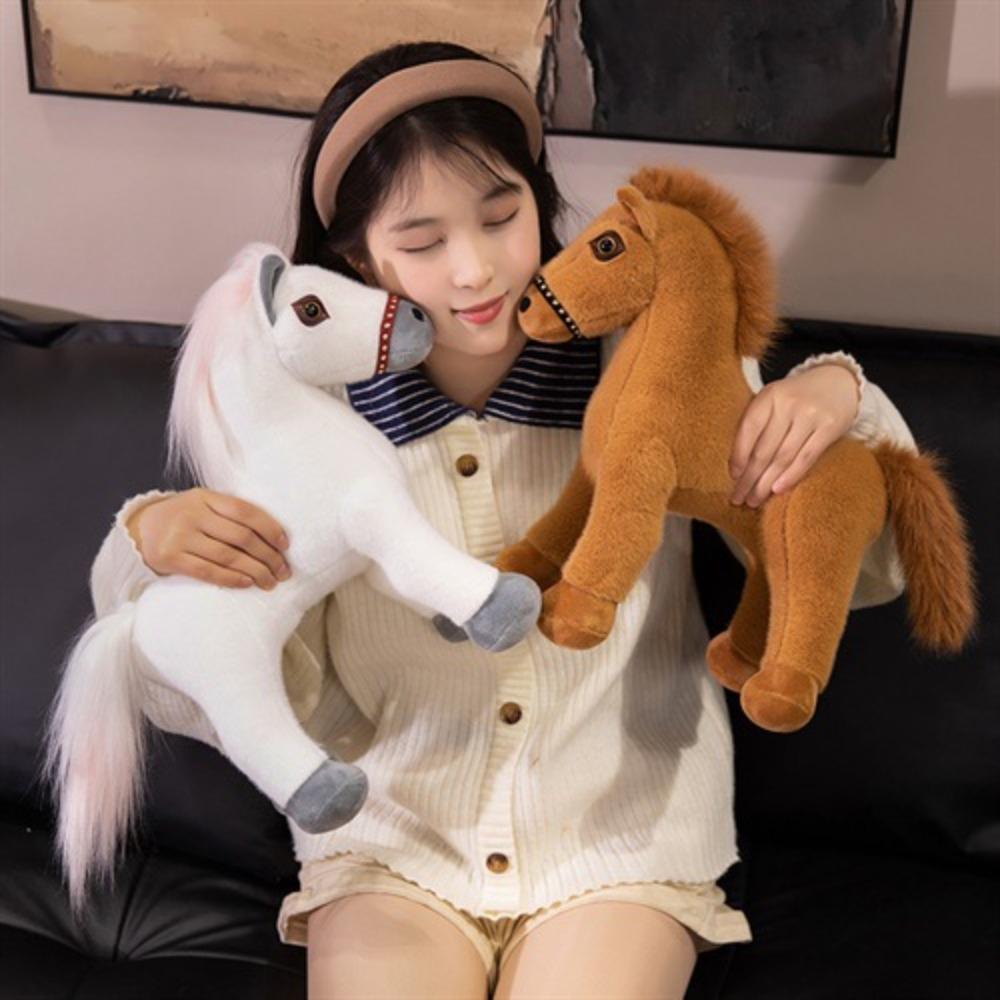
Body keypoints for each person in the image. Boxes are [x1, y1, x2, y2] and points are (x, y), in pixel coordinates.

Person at [90, 41, 917, 1000]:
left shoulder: (646, 362)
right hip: (391, 844)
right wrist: (146, 539)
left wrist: (837, 395)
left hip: (621, 841)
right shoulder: (302, 418)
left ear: (541, 201)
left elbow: (864, 566)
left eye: (500, 216)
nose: (476, 270)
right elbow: (207, 661)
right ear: (359, 257)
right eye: (422, 241)